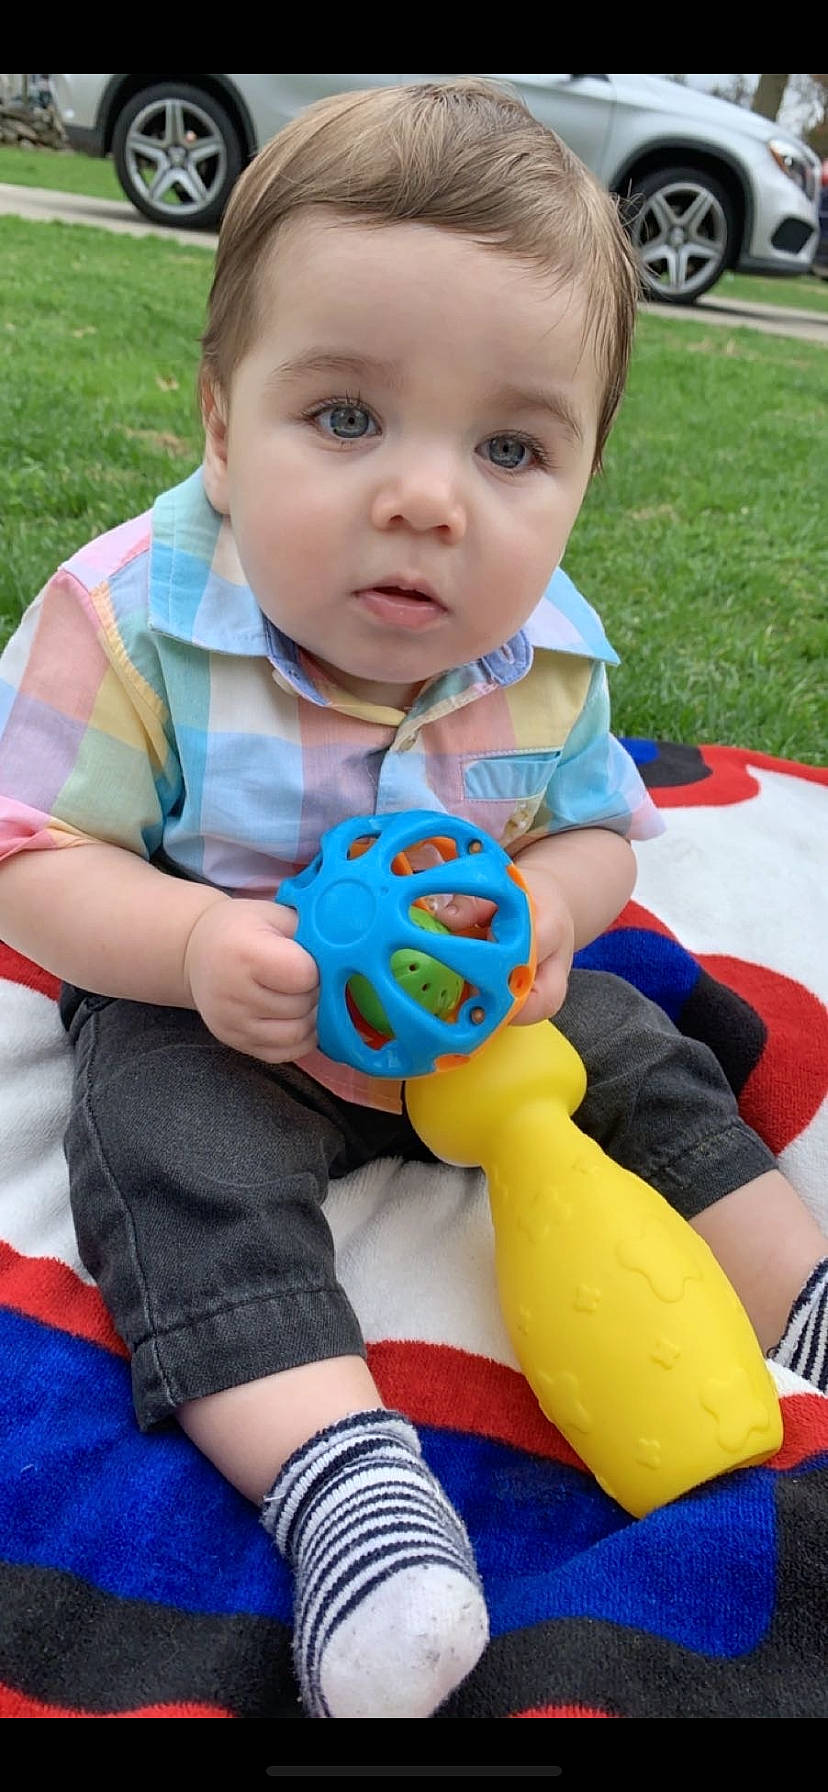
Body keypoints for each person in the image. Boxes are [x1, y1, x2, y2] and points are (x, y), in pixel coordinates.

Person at [0, 78, 825, 1722]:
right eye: (350, 419)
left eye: (513, 446)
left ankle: (785, 1281)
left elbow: (596, 838)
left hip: (473, 994)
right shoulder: (130, 621)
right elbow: (31, 855)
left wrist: (541, 920)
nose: (431, 500)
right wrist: (186, 943)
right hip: (224, 999)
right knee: (167, 1156)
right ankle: (342, 1482)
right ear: (224, 432)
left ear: (581, 477)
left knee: (643, 1042)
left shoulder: (551, 649)